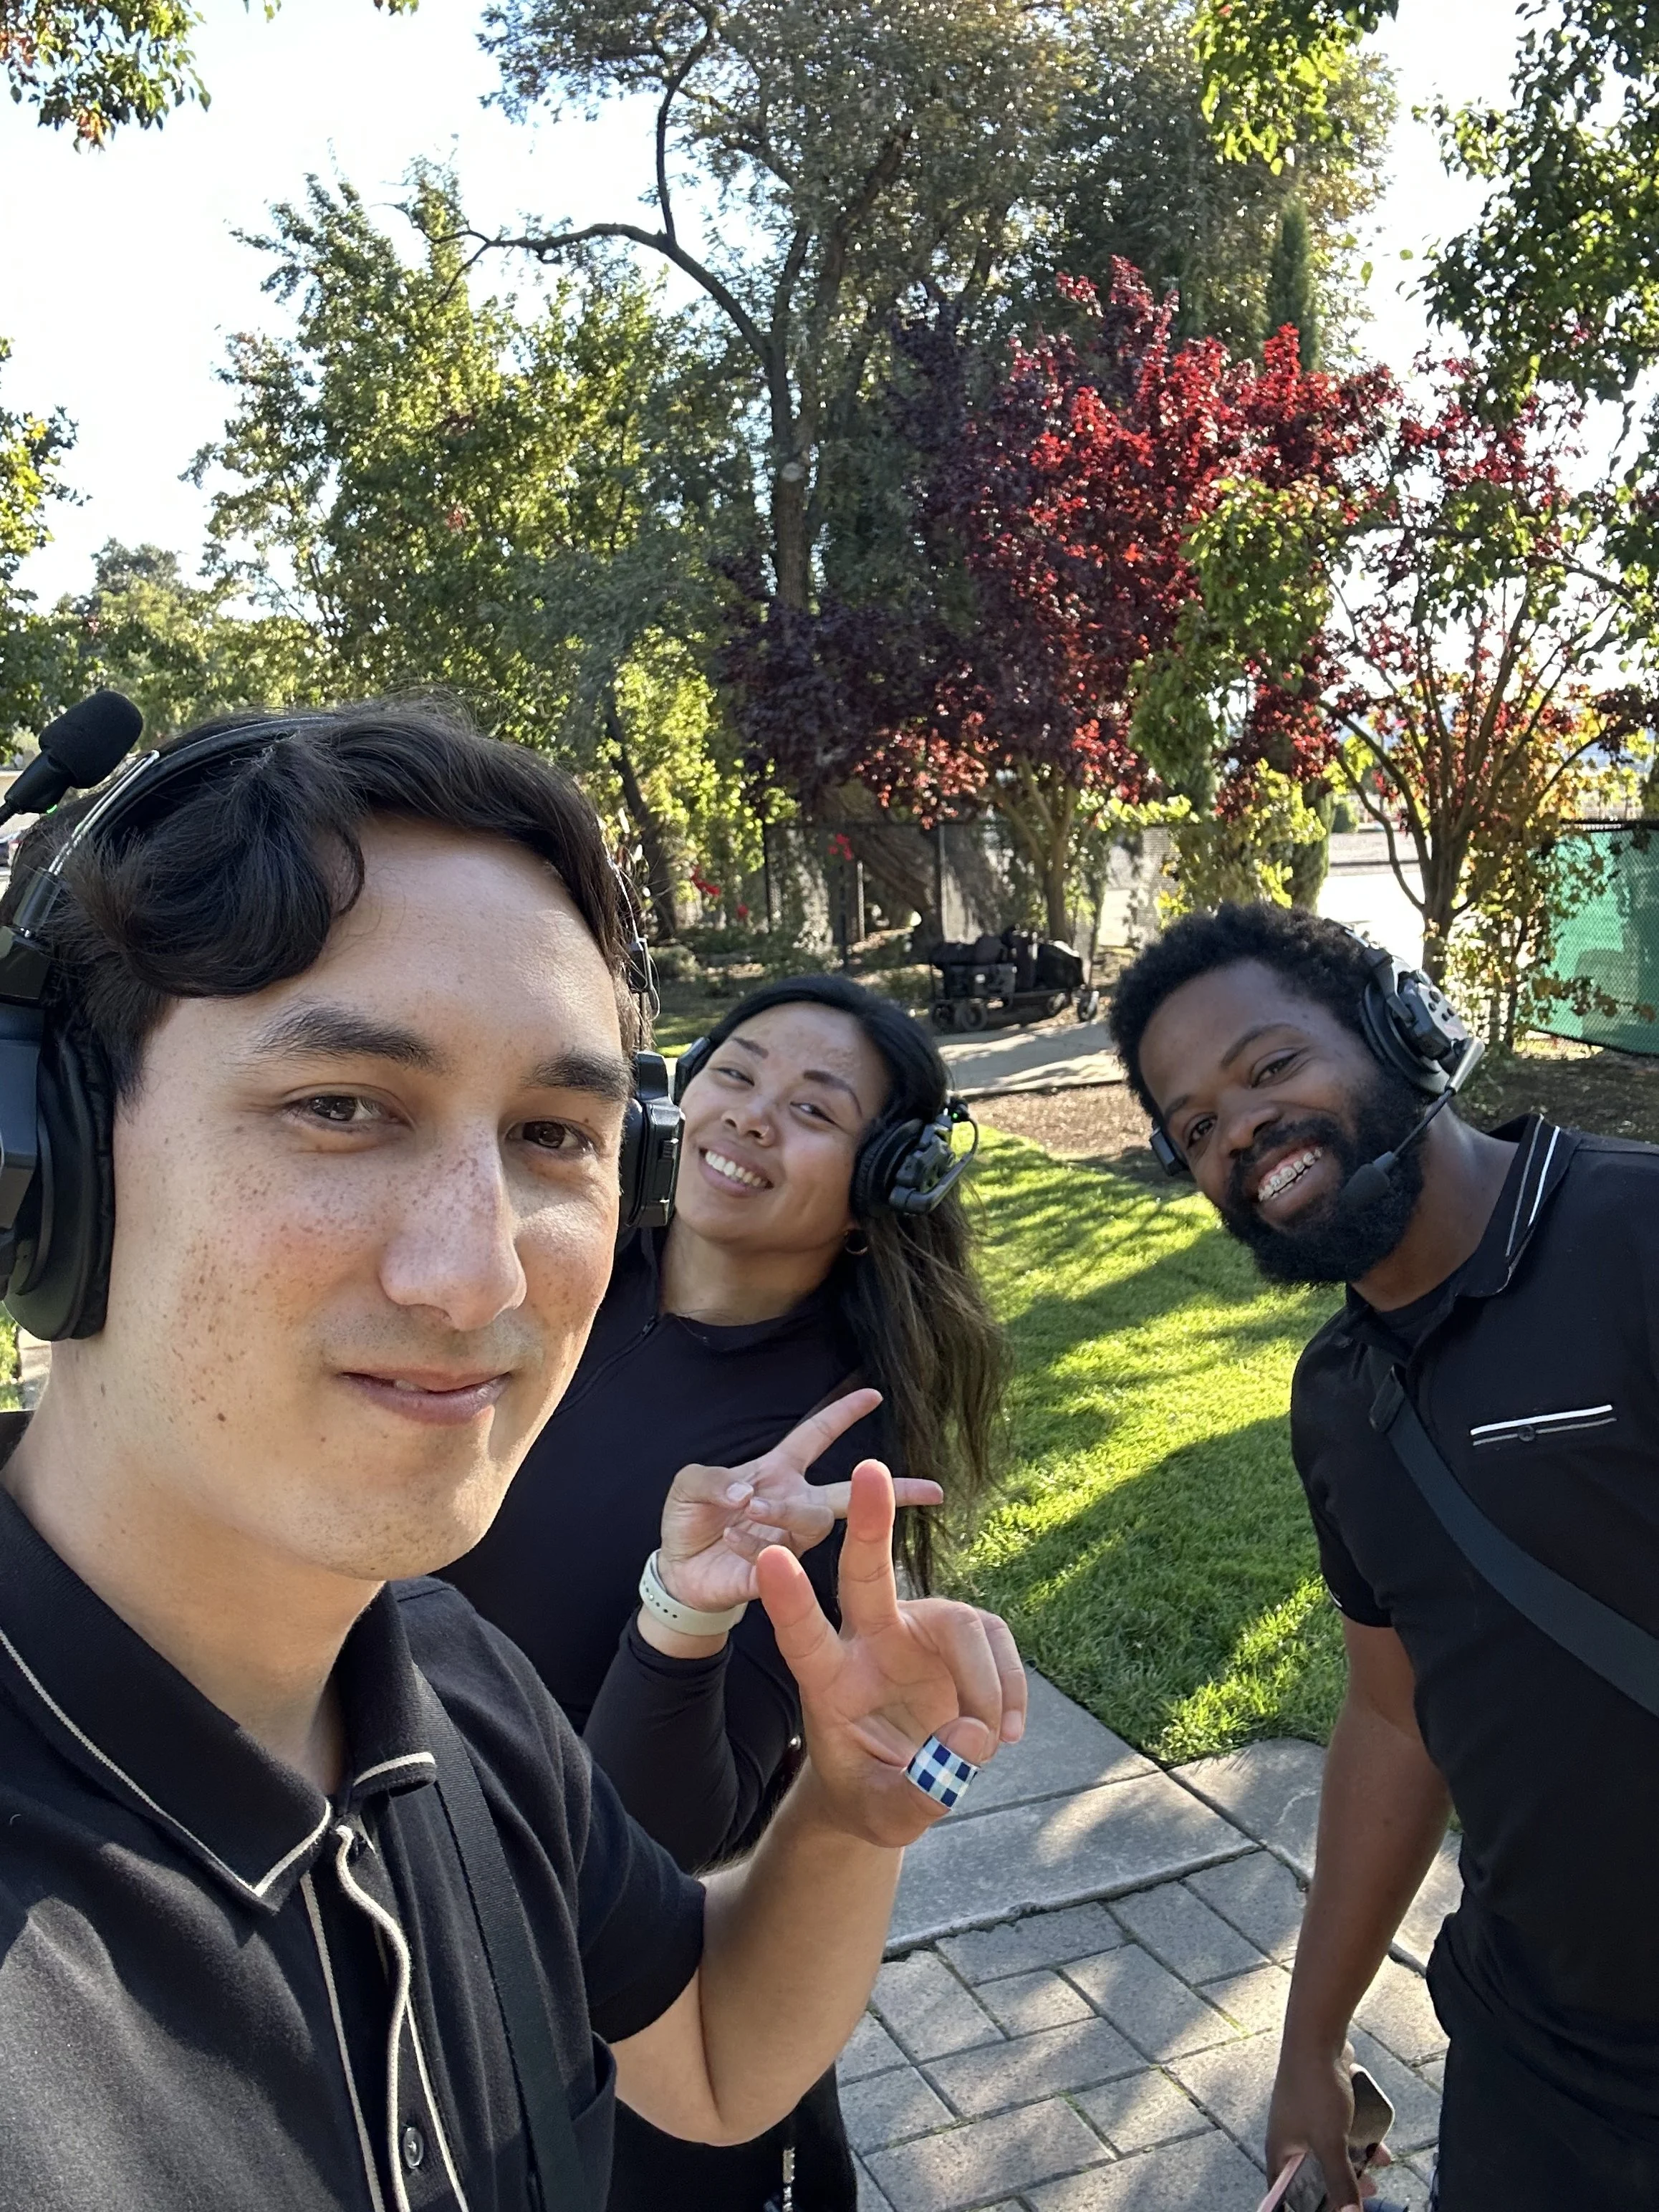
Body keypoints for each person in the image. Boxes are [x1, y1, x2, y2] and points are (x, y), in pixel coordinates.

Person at [0, 700, 1028, 2211]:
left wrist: (848, 1811)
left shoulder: (445, 1673)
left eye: (555, 1134)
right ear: (44, 1164)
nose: (478, 1275)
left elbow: (724, 2051)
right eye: (341, 1107)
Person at [1110, 900, 1659, 2212]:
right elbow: (1393, 1715)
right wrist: (1310, 2040)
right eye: (1196, 1127)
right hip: (1535, 2054)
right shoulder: (1339, 1400)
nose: (1237, 1129)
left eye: (1270, 1068)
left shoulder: (1636, 1239)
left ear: (1398, 1027)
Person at [447, 974, 1006, 2209]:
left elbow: (674, 1841)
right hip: (416, 1920)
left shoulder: (818, 1463)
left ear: (878, 1192)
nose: (750, 1115)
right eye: (737, 1075)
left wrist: (687, 1609)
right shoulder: (540, 1270)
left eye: (814, 1109)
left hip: (625, 2047)